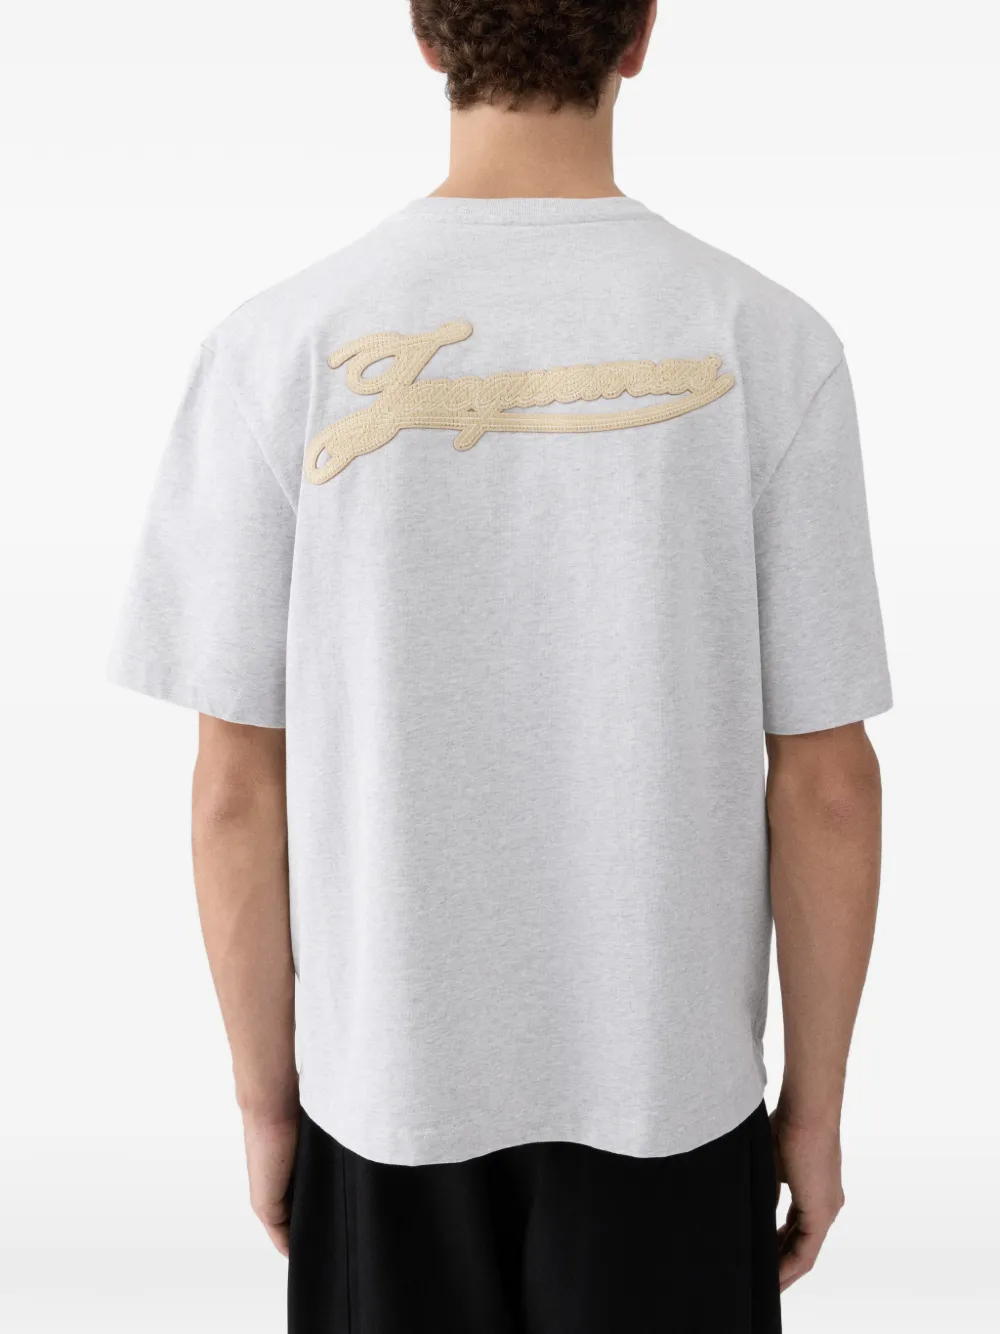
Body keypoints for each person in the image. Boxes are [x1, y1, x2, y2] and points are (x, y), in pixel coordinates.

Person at [109, 2, 891, 1329]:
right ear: (640, 35)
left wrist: (264, 1100)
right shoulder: (769, 341)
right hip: (672, 1100)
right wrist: (813, 1113)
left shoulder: (278, 345)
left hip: (385, 1096)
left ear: (426, 37)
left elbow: (235, 789)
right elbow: (826, 785)